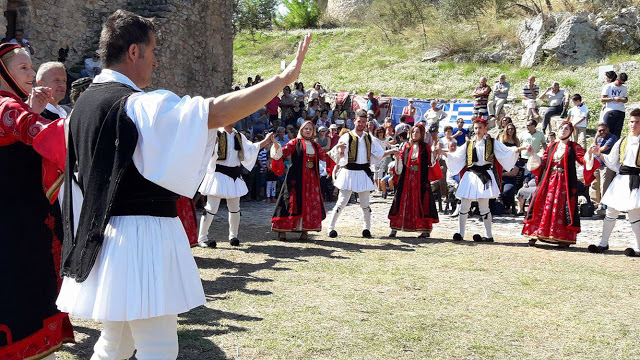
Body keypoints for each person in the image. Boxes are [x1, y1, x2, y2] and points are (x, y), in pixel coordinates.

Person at [56, 10, 312, 359]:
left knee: (116, 343)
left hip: (105, 235)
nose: (156, 62)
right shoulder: (138, 105)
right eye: (153, 51)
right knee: (157, 346)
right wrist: (281, 80)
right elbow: (216, 113)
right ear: (134, 52)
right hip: (141, 237)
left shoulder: (81, 105)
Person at [0, 42, 74, 360]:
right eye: (23, 68)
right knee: (19, 294)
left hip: (19, 216)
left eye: (31, 67)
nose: (32, 73)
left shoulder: (13, 105)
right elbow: (42, 135)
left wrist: (32, 109)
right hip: (16, 223)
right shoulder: (7, 107)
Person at [443, 118, 519, 242]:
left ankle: (489, 235)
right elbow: (457, 156)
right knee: (464, 205)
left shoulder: (491, 142)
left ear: (485, 129)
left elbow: (505, 151)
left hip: (485, 175)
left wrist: (519, 150)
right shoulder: (469, 144)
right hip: (471, 175)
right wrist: (444, 153)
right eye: (476, 128)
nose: (478, 130)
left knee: (484, 206)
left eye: (480, 128)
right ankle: (460, 233)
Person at [198, 124, 273, 247]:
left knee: (235, 209)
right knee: (211, 208)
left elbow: (251, 149)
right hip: (218, 174)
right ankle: (202, 238)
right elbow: (204, 151)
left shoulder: (239, 135)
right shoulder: (215, 133)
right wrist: (211, 147)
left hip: (234, 175)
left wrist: (266, 140)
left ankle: (233, 236)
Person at [523, 121, 596, 247]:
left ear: (570, 132)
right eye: (561, 128)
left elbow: (583, 160)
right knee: (540, 203)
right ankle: (535, 233)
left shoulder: (574, 146)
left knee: (562, 207)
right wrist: (533, 154)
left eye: (566, 128)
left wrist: (589, 153)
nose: (563, 130)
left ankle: (562, 237)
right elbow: (543, 162)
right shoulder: (552, 146)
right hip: (549, 180)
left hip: (564, 182)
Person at [327, 109, 398, 238]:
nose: (361, 124)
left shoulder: (369, 137)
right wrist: (341, 151)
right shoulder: (346, 136)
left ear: (366, 123)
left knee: (365, 204)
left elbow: (378, 153)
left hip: (363, 172)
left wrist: (391, 151)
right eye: (359, 121)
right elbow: (337, 155)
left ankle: (367, 229)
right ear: (355, 121)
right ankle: (330, 228)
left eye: (364, 122)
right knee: (341, 202)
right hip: (348, 172)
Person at [588, 109, 640, 256]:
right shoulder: (623, 140)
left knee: (634, 214)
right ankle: (603, 244)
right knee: (611, 211)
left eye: (637, 122)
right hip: (621, 179)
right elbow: (612, 161)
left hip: (637, 180)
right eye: (631, 121)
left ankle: (639, 247)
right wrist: (599, 154)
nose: (633, 125)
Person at [271, 121, 330, 240]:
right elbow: (283, 152)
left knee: (309, 202)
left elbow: (324, 156)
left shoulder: (315, 145)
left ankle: (305, 231)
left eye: (310, 129)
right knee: (290, 201)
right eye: (305, 129)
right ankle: (282, 230)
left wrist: (339, 150)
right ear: (301, 130)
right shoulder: (294, 142)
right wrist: (276, 145)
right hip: (296, 177)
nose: (308, 131)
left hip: (311, 179)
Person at [388, 124, 440, 238]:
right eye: (413, 132)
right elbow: (401, 160)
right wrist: (397, 159)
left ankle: (425, 229)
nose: (415, 134)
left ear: (422, 134)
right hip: (406, 179)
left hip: (420, 179)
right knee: (400, 200)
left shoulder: (425, 147)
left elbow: (431, 162)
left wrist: (435, 154)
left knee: (422, 201)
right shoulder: (406, 146)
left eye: (417, 132)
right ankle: (395, 228)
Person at [590, 123, 617, 211]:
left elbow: (603, 149)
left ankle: (604, 204)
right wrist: (595, 138)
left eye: (604, 130)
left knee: (604, 185)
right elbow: (593, 147)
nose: (602, 132)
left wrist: (595, 150)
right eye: (599, 130)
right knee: (594, 184)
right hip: (596, 164)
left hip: (606, 165)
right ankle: (595, 203)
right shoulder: (598, 138)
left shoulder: (612, 138)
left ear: (608, 129)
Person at [601, 72, 628, 139]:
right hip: (610, 110)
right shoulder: (608, 86)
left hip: (620, 111)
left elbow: (626, 99)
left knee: (617, 133)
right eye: (619, 82)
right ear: (616, 79)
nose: (620, 84)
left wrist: (621, 100)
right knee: (607, 131)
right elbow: (602, 99)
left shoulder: (624, 88)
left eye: (622, 83)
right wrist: (613, 99)